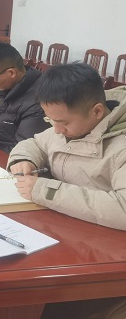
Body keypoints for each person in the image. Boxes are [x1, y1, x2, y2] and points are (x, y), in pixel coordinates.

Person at [9, 64, 126, 318]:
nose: (56, 130)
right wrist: (23, 159)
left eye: (62, 123)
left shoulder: (121, 147)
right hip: (66, 235)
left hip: (106, 258)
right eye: (50, 120)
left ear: (97, 111)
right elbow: (36, 142)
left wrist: (46, 191)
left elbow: (123, 209)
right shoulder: (71, 123)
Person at [0, 42, 50, 153]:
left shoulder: (38, 103)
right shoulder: (6, 87)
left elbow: (22, 149)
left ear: (11, 73)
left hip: (6, 158)